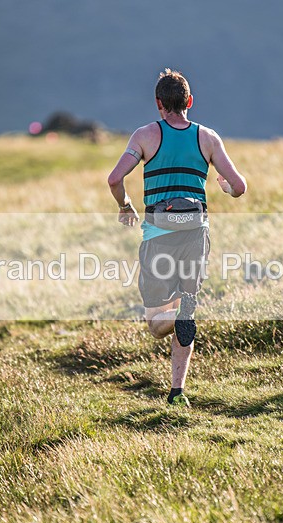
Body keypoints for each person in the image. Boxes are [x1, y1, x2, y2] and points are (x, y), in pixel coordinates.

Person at [107, 68, 247, 407]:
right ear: (189, 101)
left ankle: (181, 314)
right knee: (186, 302)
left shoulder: (145, 136)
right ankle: (177, 392)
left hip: (159, 235)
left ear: (158, 104)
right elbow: (239, 187)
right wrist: (225, 188)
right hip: (196, 234)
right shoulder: (208, 138)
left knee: (157, 323)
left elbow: (114, 178)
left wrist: (126, 206)